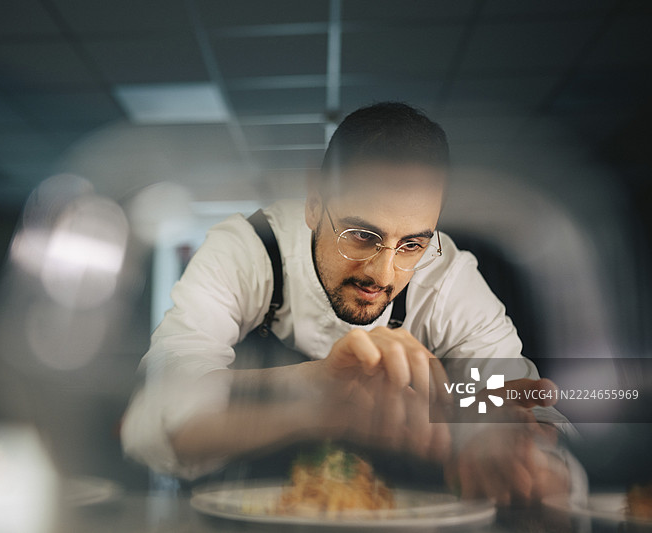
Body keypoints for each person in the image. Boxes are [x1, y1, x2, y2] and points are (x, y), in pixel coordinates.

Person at [122, 102, 583, 505]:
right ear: (314, 203)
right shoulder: (247, 251)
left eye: (412, 245)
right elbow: (152, 422)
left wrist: (515, 454)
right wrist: (316, 393)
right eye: (361, 235)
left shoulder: (449, 280)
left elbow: (523, 407)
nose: (383, 276)